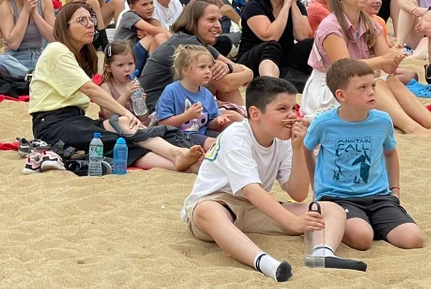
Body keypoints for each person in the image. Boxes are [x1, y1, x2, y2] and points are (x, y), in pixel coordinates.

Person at [182, 77, 367, 281]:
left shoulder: (282, 139)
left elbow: (298, 193)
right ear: (255, 113)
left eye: (294, 108)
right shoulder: (236, 136)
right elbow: (251, 190)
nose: (292, 115)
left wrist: (298, 148)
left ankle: (321, 253)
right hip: (217, 204)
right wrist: (292, 222)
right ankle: (266, 263)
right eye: (282, 109)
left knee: (332, 209)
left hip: (254, 208)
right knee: (208, 210)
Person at [29, 2, 204, 171]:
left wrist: (126, 115)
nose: (90, 24)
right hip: (51, 125)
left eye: (91, 19)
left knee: (124, 125)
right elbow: (90, 89)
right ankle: (183, 164)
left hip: (75, 119)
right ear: (65, 27)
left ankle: (177, 154)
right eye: (81, 20)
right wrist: (126, 111)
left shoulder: (80, 55)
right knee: (118, 142)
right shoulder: (56, 49)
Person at [303, 58, 422, 251]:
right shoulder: (323, 123)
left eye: (373, 85)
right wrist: (316, 188)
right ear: (341, 95)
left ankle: (370, 221)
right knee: (362, 238)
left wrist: (395, 190)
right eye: (362, 88)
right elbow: (307, 149)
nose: (371, 92)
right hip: (338, 197)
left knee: (412, 239)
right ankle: (353, 222)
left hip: (378, 196)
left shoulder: (382, 121)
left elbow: (390, 153)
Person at [302, 0, 431, 135]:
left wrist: (395, 57)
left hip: (358, 83)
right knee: (376, 83)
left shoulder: (370, 23)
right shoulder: (331, 25)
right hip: (331, 87)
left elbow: (388, 68)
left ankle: (427, 121)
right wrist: (385, 58)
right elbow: (345, 68)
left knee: (389, 79)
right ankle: (412, 127)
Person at [139, 0, 252, 110]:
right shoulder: (188, 44)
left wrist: (229, 68)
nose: (218, 26)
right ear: (193, 21)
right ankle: (242, 119)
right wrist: (249, 74)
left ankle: (241, 119)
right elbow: (225, 84)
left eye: (219, 20)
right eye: (211, 20)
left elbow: (233, 69)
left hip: (177, 106)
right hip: (158, 112)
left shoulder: (198, 43)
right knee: (221, 84)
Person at [236, 0, 313, 91]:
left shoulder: (296, 5)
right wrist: (286, 6)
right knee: (271, 45)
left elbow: (303, 36)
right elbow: (270, 36)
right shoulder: (255, 5)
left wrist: (293, 4)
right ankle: (271, 89)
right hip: (254, 57)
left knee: (311, 43)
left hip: (283, 57)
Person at [156, 44, 242, 148]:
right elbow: (163, 123)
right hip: (178, 136)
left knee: (230, 139)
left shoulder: (207, 94)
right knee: (214, 144)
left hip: (202, 132)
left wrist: (218, 121)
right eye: (202, 67)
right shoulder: (171, 91)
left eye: (209, 67)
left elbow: (209, 123)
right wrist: (186, 116)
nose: (208, 71)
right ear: (185, 70)